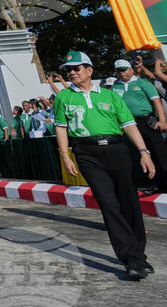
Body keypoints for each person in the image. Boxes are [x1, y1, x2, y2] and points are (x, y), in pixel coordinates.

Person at [55, 51, 156, 280]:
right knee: (108, 204)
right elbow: (61, 127)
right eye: (68, 70)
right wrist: (65, 155)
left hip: (117, 150)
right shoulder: (63, 97)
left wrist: (144, 152)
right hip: (87, 154)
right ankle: (131, 258)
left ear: (89, 70)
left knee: (129, 202)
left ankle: (139, 255)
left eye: (76, 68)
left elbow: (129, 124)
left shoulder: (111, 95)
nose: (72, 73)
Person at [110, 58, 167, 193]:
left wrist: (162, 121)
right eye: (118, 71)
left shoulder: (142, 83)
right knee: (137, 154)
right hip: (128, 124)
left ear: (131, 70)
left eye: (124, 70)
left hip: (146, 121)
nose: (122, 73)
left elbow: (157, 102)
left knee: (158, 153)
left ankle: (165, 181)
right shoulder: (115, 87)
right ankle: (151, 183)